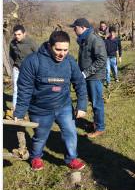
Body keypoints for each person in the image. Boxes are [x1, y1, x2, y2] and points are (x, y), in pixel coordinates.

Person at [13, 31, 88, 171]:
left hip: (64, 106)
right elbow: (24, 88)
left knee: (70, 133)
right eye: (58, 49)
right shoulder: (32, 61)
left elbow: (80, 83)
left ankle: (71, 158)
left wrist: (82, 105)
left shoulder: (70, 61)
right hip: (40, 109)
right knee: (40, 136)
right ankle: (35, 157)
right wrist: (20, 110)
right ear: (49, 45)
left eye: (65, 50)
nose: (62, 54)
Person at [70, 18, 107, 138]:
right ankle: (96, 123)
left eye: (75, 28)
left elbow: (101, 60)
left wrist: (86, 73)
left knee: (97, 103)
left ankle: (100, 128)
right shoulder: (83, 39)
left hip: (94, 77)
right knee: (92, 101)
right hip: (87, 76)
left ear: (82, 27)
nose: (74, 30)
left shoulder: (94, 39)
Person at [9, 24, 38, 110]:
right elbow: (11, 55)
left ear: (24, 33)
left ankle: (31, 108)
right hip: (17, 68)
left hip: (29, 70)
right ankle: (15, 109)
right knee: (16, 89)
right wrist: (13, 65)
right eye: (15, 34)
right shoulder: (12, 43)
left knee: (30, 89)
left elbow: (38, 54)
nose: (17, 36)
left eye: (19, 34)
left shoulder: (31, 42)